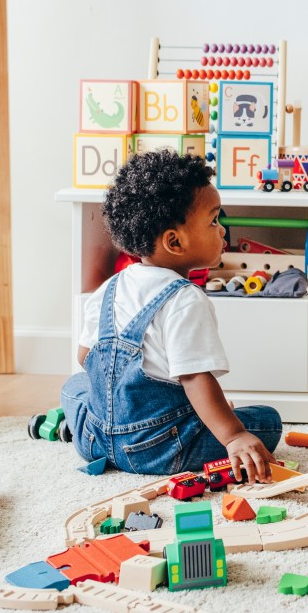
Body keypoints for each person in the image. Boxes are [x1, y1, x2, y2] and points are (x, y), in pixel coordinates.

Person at [60, 150, 281, 480]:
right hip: (160, 448)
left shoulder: (110, 287)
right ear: (175, 241)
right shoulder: (185, 300)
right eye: (213, 221)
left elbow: (84, 357)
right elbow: (195, 379)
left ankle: (75, 429)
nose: (222, 231)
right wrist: (234, 436)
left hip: (97, 438)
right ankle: (222, 431)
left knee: (74, 387)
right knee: (267, 422)